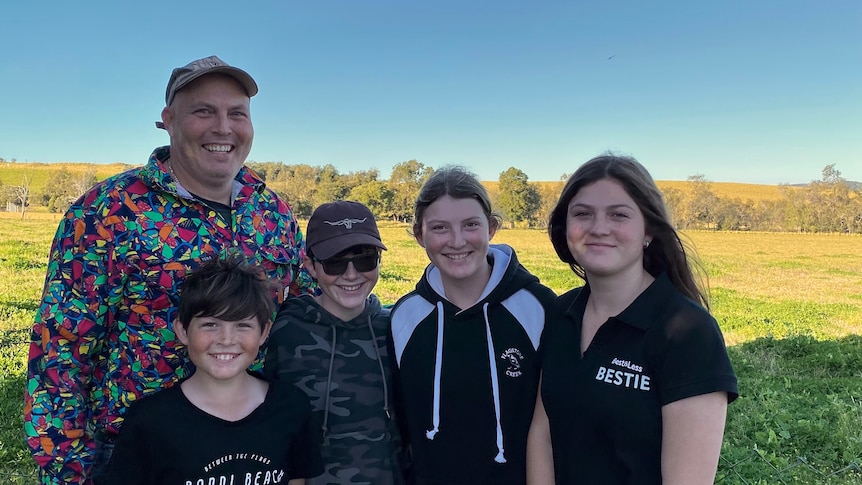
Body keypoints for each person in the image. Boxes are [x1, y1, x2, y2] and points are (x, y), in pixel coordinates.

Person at [24, 55, 314, 485]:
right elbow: (61, 346)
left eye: (237, 113)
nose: (223, 127)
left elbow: (305, 306)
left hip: (254, 447)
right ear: (169, 120)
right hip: (136, 454)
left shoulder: (272, 212)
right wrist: (70, 471)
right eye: (203, 111)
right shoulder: (109, 211)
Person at [527, 154, 739, 485]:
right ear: (565, 226)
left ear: (648, 232)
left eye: (618, 215)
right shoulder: (561, 311)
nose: (598, 228)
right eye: (582, 214)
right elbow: (543, 430)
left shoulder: (686, 332)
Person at [389, 166, 556, 485]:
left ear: (491, 228)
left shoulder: (537, 307)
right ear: (419, 235)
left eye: (471, 225)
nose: (457, 241)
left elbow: (555, 423)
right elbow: (403, 425)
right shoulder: (405, 317)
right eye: (439, 227)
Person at [99, 253, 322, 484]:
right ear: (183, 331)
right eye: (211, 324)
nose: (226, 340)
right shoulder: (149, 421)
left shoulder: (291, 407)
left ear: (264, 331)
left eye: (242, 325)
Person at [264, 200, 407, 484]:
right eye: (334, 262)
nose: (351, 274)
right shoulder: (284, 331)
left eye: (365, 259)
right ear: (311, 266)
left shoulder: (396, 328)